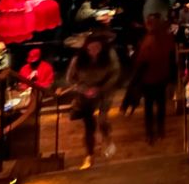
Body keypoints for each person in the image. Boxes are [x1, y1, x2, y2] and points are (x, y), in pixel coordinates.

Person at [65, 35, 121, 169]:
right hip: (85, 95)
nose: (94, 51)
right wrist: (84, 89)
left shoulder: (109, 56)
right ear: (86, 49)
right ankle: (89, 154)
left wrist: (100, 88)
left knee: (102, 120)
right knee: (89, 125)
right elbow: (70, 79)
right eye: (91, 48)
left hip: (104, 92)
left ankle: (107, 139)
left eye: (97, 47)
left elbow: (115, 73)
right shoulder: (78, 60)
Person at [131, 15, 173, 143]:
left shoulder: (146, 40)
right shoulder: (165, 38)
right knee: (159, 106)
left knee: (150, 108)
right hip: (159, 78)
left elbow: (140, 61)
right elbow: (170, 58)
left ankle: (151, 133)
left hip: (150, 79)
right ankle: (158, 131)